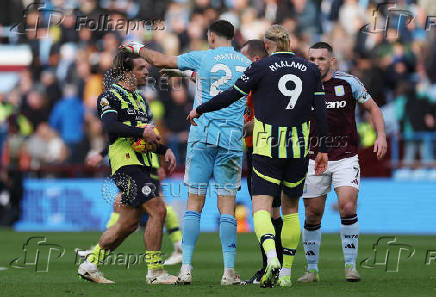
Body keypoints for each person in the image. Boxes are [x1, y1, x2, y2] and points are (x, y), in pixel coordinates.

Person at [187, 24, 329, 287]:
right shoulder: (310, 70)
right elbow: (320, 112)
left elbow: (230, 95)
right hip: (298, 147)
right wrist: (322, 149)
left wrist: (201, 109)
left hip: (266, 146)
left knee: (261, 207)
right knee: (290, 211)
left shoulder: (260, 67)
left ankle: (271, 258)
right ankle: (285, 273)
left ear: (267, 45)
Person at [120, 19, 251, 285]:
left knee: (194, 204)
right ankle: (228, 272)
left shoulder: (203, 56)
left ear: (211, 36)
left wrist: (137, 46)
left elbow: (159, 60)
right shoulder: (247, 64)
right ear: (234, 37)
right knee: (226, 206)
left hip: (202, 136)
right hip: (232, 138)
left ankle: (186, 268)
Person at [77, 50, 178, 285]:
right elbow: (110, 126)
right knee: (158, 208)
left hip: (143, 164)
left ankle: (90, 264)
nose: (147, 71)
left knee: (129, 223)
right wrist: (141, 131)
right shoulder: (109, 96)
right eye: (141, 68)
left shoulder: (141, 99)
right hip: (124, 164)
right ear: (126, 72)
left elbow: (149, 134)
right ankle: (155, 271)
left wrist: (165, 150)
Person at [297, 42, 387, 283]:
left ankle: (350, 266)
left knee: (348, 207)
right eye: (312, 59)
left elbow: (374, 109)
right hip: (314, 158)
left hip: (346, 156)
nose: (315, 63)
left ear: (332, 61)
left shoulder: (349, 83)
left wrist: (381, 136)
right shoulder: (302, 86)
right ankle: (312, 269)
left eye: (321, 59)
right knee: (313, 214)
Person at [79, 148, 183, 266]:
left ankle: (178, 247)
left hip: (141, 166)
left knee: (157, 206)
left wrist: (160, 161)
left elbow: (145, 138)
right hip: (134, 164)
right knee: (128, 211)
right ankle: (97, 252)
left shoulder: (142, 131)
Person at [238, 40, 284, 285]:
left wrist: (242, 128)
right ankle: (275, 267)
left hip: (264, 152)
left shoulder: (264, 82)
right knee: (272, 211)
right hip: (256, 151)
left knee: (264, 211)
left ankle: (271, 267)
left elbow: (268, 118)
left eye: (242, 59)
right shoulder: (254, 83)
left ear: (254, 60)